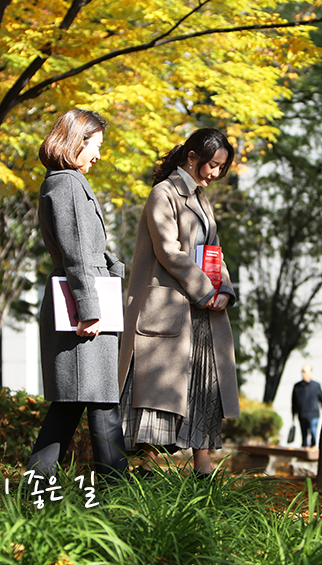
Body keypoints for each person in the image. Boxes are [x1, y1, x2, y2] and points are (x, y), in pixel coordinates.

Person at [118, 128, 240, 478]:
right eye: (212, 165)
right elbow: (169, 251)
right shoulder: (164, 193)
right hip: (169, 309)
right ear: (191, 158)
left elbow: (213, 251)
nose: (215, 173)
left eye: (220, 167)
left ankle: (204, 474)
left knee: (204, 384)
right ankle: (141, 474)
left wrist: (224, 291)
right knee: (155, 392)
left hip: (200, 309)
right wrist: (207, 291)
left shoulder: (201, 200)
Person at [27, 109, 128, 484]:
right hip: (82, 309)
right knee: (99, 403)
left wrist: (111, 269)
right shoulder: (67, 183)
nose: (98, 155)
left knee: (72, 405)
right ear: (76, 142)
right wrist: (90, 309)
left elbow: (87, 250)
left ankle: (34, 490)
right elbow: (78, 252)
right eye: (95, 146)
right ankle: (119, 498)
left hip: (83, 302)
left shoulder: (65, 182)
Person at [291, 364, 322, 448]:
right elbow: (294, 402)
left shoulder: (316, 386)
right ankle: (305, 448)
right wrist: (293, 414)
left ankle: (313, 446)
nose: (304, 374)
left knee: (313, 430)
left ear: (311, 373)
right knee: (304, 434)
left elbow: (321, 399)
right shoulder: (297, 387)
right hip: (302, 414)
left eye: (306, 372)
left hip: (313, 414)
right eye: (302, 372)